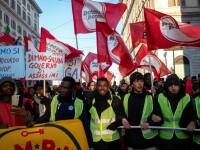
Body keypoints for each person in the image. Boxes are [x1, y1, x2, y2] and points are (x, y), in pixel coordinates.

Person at [20, 77, 93, 148]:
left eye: (65, 88)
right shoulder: (54, 100)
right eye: (61, 87)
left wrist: (90, 145)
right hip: (55, 138)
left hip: (71, 139)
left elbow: (85, 125)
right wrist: (35, 122)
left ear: (72, 89)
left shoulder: (79, 103)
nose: (61, 90)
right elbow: (46, 116)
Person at [152, 74, 194, 150]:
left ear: (179, 86)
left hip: (184, 137)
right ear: (166, 86)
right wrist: (155, 116)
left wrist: (192, 121)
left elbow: (194, 114)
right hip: (165, 139)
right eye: (170, 85)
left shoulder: (188, 98)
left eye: (175, 85)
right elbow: (156, 113)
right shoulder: (159, 97)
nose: (173, 88)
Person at [121, 72, 159, 150]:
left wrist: (149, 123)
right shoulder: (125, 98)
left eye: (141, 81)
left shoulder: (150, 98)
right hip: (132, 140)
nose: (140, 84)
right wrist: (123, 119)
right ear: (131, 84)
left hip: (149, 141)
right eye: (136, 81)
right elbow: (120, 113)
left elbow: (157, 114)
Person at [88, 77, 122, 150]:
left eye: (105, 85)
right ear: (96, 87)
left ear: (108, 87)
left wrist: (116, 124)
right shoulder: (90, 101)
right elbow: (87, 120)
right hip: (95, 140)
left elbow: (122, 116)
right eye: (100, 85)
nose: (102, 88)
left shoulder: (115, 100)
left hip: (112, 140)